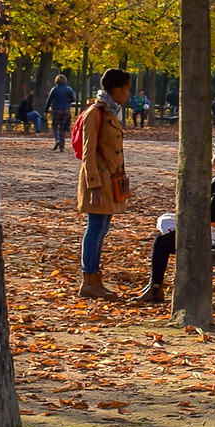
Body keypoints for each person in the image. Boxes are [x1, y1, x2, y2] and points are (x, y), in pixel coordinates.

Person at [137, 137, 215, 304]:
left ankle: (155, 289)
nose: (212, 157)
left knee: (161, 242)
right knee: (167, 222)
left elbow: (210, 215)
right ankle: (154, 286)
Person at [76, 68, 132, 299]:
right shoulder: (95, 113)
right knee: (95, 229)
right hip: (99, 181)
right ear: (117, 90)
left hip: (111, 180)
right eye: (127, 89)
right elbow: (88, 153)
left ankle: (94, 280)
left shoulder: (110, 111)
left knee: (102, 229)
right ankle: (89, 280)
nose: (128, 94)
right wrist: (94, 185)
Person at [47, 74, 76, 152]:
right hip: (66, 110)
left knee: (55, 126)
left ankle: (57, 139)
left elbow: (49, 100)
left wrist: (46, 110)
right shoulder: (69, 89)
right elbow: (73, 99)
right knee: (62, 128)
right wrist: (67, 102)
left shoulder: (54, 89)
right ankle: (62, 147)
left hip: (56, 109)